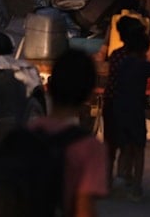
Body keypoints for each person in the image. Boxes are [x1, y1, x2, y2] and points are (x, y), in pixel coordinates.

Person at [27, 48, 108, 215]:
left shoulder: (27, 133)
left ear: (49, 86)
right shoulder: (88, 147)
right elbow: (84, 210)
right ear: (89, 94)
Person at [103, 18, 150, 201]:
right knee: (135, 147)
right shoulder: (138, 62)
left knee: (115, 145)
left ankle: (113, 182)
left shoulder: (117, 56)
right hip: (131, 109)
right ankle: (132, 183)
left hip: (114, 105)